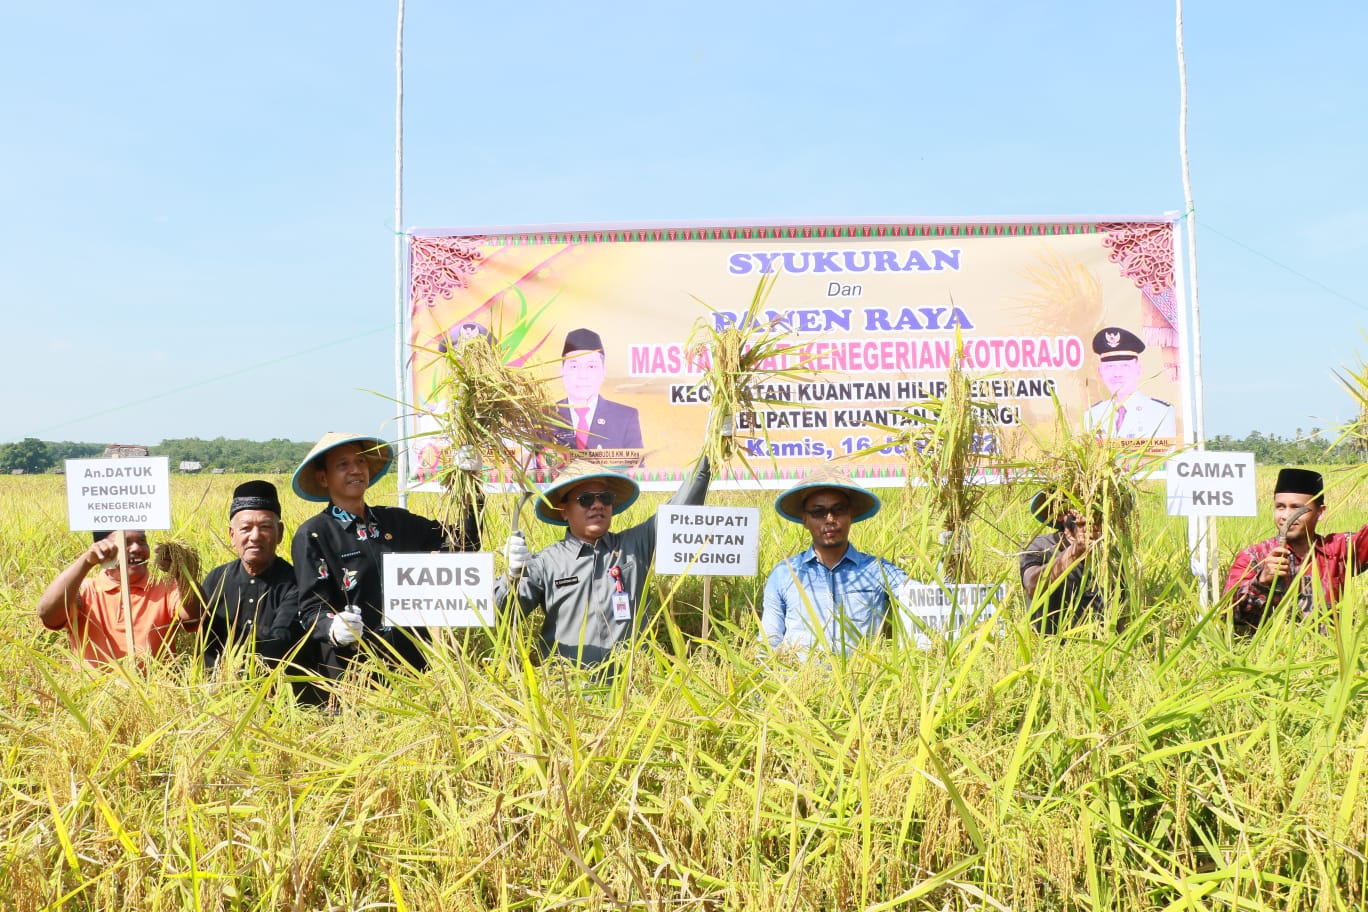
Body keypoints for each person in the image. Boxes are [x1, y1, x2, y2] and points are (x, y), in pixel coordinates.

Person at [290, 432, 480, 679]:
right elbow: (310, 609)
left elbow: (464, 543)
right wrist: (334, 628)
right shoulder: (314, 534)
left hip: (412, 667)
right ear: (323, 478)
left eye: (360, 462)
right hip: (353, 673)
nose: (356, 470)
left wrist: (471, 486)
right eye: (343, 465)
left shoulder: (396, 521)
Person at [497, 455, 711, 666]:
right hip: (569, 691)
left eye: (605, 498)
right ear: (563, 511)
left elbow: (679, 512)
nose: (597, 505)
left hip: (633, 686)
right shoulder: (546, 562)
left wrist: (708, 457)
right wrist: (512, 576)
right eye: (586, 499)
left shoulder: (634, 546)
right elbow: (501, 615)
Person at [760, 467, 907, 656]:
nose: (830, 519)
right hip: (801, 680)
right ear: (804, 519)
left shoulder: (877, 569)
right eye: (818, 512)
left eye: (839, 510)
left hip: (863, 680)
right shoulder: (785, 573)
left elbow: (922, 598)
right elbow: (769, 641)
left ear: (851, 516)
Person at [200, 480, 321, 699]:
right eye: (245, 528)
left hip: (280, 699)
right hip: (218, 699)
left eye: (265, 527)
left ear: (280, 532)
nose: (255, 536)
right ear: (232, 534)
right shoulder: (216, 579)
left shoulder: (296, 581)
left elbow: (281, 638)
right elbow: (196, 628)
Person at [1224, 468, 1368, 626]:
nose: (1286, 516)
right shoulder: (1255, 557)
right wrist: (1262, 581)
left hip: (1330, 649)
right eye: (1280, 507)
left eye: (1296, 508)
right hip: (1272, 649)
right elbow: (1228, 614)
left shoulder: (1337, 550)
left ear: (1320, 512)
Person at [38, 529, 202, 666]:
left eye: (142, 541)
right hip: (96, 699)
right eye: (126, 543)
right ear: (102, 549)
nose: (137, 548)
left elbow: (194, 618)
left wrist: (183, 573)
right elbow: (48, 614)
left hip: (154, 697)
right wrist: (86, 561)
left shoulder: (167, 588)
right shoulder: (85, 590)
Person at [1019, 490, 1106, 633]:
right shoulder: (1039, 546)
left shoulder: (1110, 556)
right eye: (1080, 506)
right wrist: (1074, 552)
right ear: (1060, 514)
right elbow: (1032, 586)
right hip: (1051, 648)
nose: (1089, 515)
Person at [554, 328, 644, 453]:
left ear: (603, 372)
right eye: (574, 366)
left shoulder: (625, 418)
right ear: (562, 371)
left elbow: (637, 470)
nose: (582, 375)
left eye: (591, 366)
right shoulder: (542, 418)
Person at [1082, 326, 1176, 439]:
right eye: (1109, 366)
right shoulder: (1093, 415)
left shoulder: (1161, 412)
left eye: (1124, 366)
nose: (1117, 373)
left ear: (1138, 370)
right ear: (1100, 372)